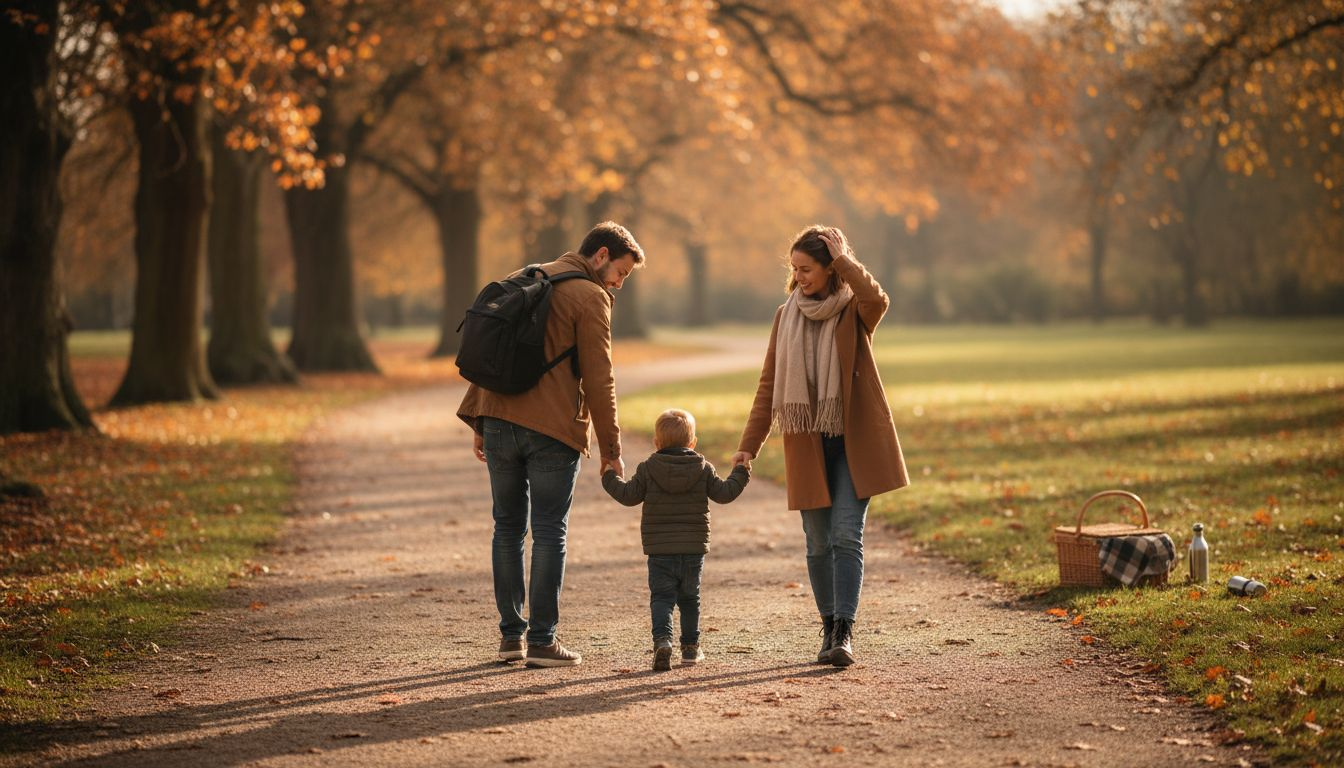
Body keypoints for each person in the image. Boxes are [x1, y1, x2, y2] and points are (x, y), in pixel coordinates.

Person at [457, 221, 644, 668]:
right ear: (600, 256)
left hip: (499, 420)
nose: (619, 282)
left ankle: (510, 638)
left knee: (506, 526)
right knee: (548, 531)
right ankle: (542, 640)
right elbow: (600, 379)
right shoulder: (591, 297)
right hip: (552, 431)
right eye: (621, 272)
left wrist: (479, 419)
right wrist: (611, 449)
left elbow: (492, 354)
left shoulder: (527, 275)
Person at [731, 225, 908, 668]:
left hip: (854, 443)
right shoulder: (784, 315)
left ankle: (844, 631)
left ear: (831, 269)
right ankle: (828, 625)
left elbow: (877, 298)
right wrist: (748, 446)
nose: (799, 276)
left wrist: (845, 258)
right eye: (795, 269)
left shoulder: (854, 311)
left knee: (847, 535)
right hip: (807, 442)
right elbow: (769, 385)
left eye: (807, 268)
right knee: (817, 542)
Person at [601, 409, 750, 671]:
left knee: (661, 597)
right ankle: (690, 648)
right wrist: (741, 471)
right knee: (690, 598)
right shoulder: (703, 468)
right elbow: (725, 493)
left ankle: (662, 641)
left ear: (657, 443)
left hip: (659, 550)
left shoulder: (648, 469)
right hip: (693, 548)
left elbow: (627, 496)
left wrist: (608, 476)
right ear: (693, 443)